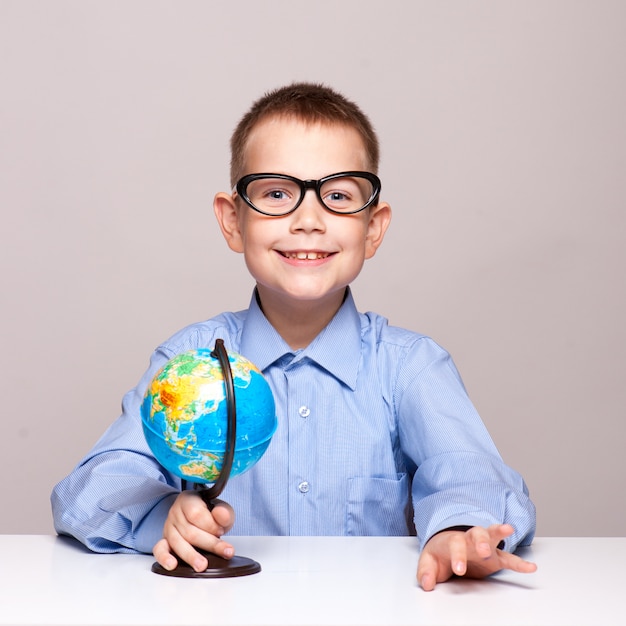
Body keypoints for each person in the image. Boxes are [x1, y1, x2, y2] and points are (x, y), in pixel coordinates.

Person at [51, 82, 537, 591]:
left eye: (338, 196)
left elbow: (468, 469)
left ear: (373, 229)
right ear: (231, 220)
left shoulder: (410, 366)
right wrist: (165, 515)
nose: (308, 220)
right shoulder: (189, 361)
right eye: (277, 193)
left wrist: (459, 530)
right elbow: (86, 494)